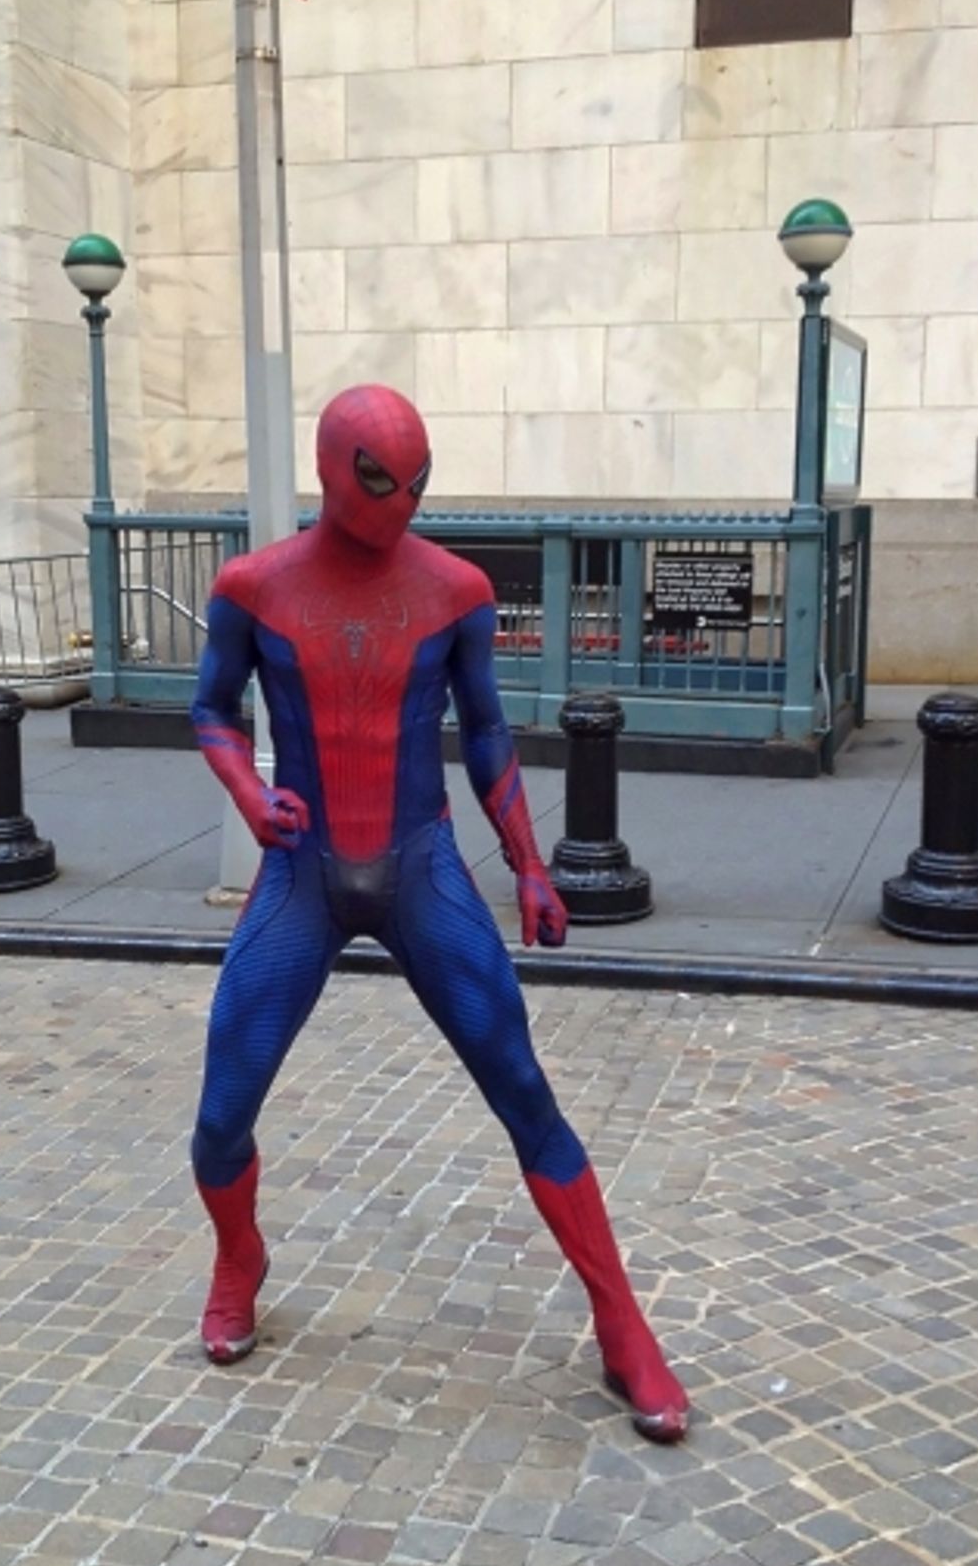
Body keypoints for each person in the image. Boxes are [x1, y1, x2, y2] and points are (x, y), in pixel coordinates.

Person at [189, 386, 689, 1443]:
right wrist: (244, 790)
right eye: (381, 482)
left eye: (419, 482)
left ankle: (620, 1322)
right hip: (302, 872)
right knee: (221, 1108)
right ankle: (239, 1255)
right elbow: (208, 709)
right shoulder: (254, 584)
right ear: (332, 470)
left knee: (523, 1088)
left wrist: (527, 865)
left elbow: (488, 734)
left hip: (419, 870)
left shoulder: (454, 589)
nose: (402, 503)